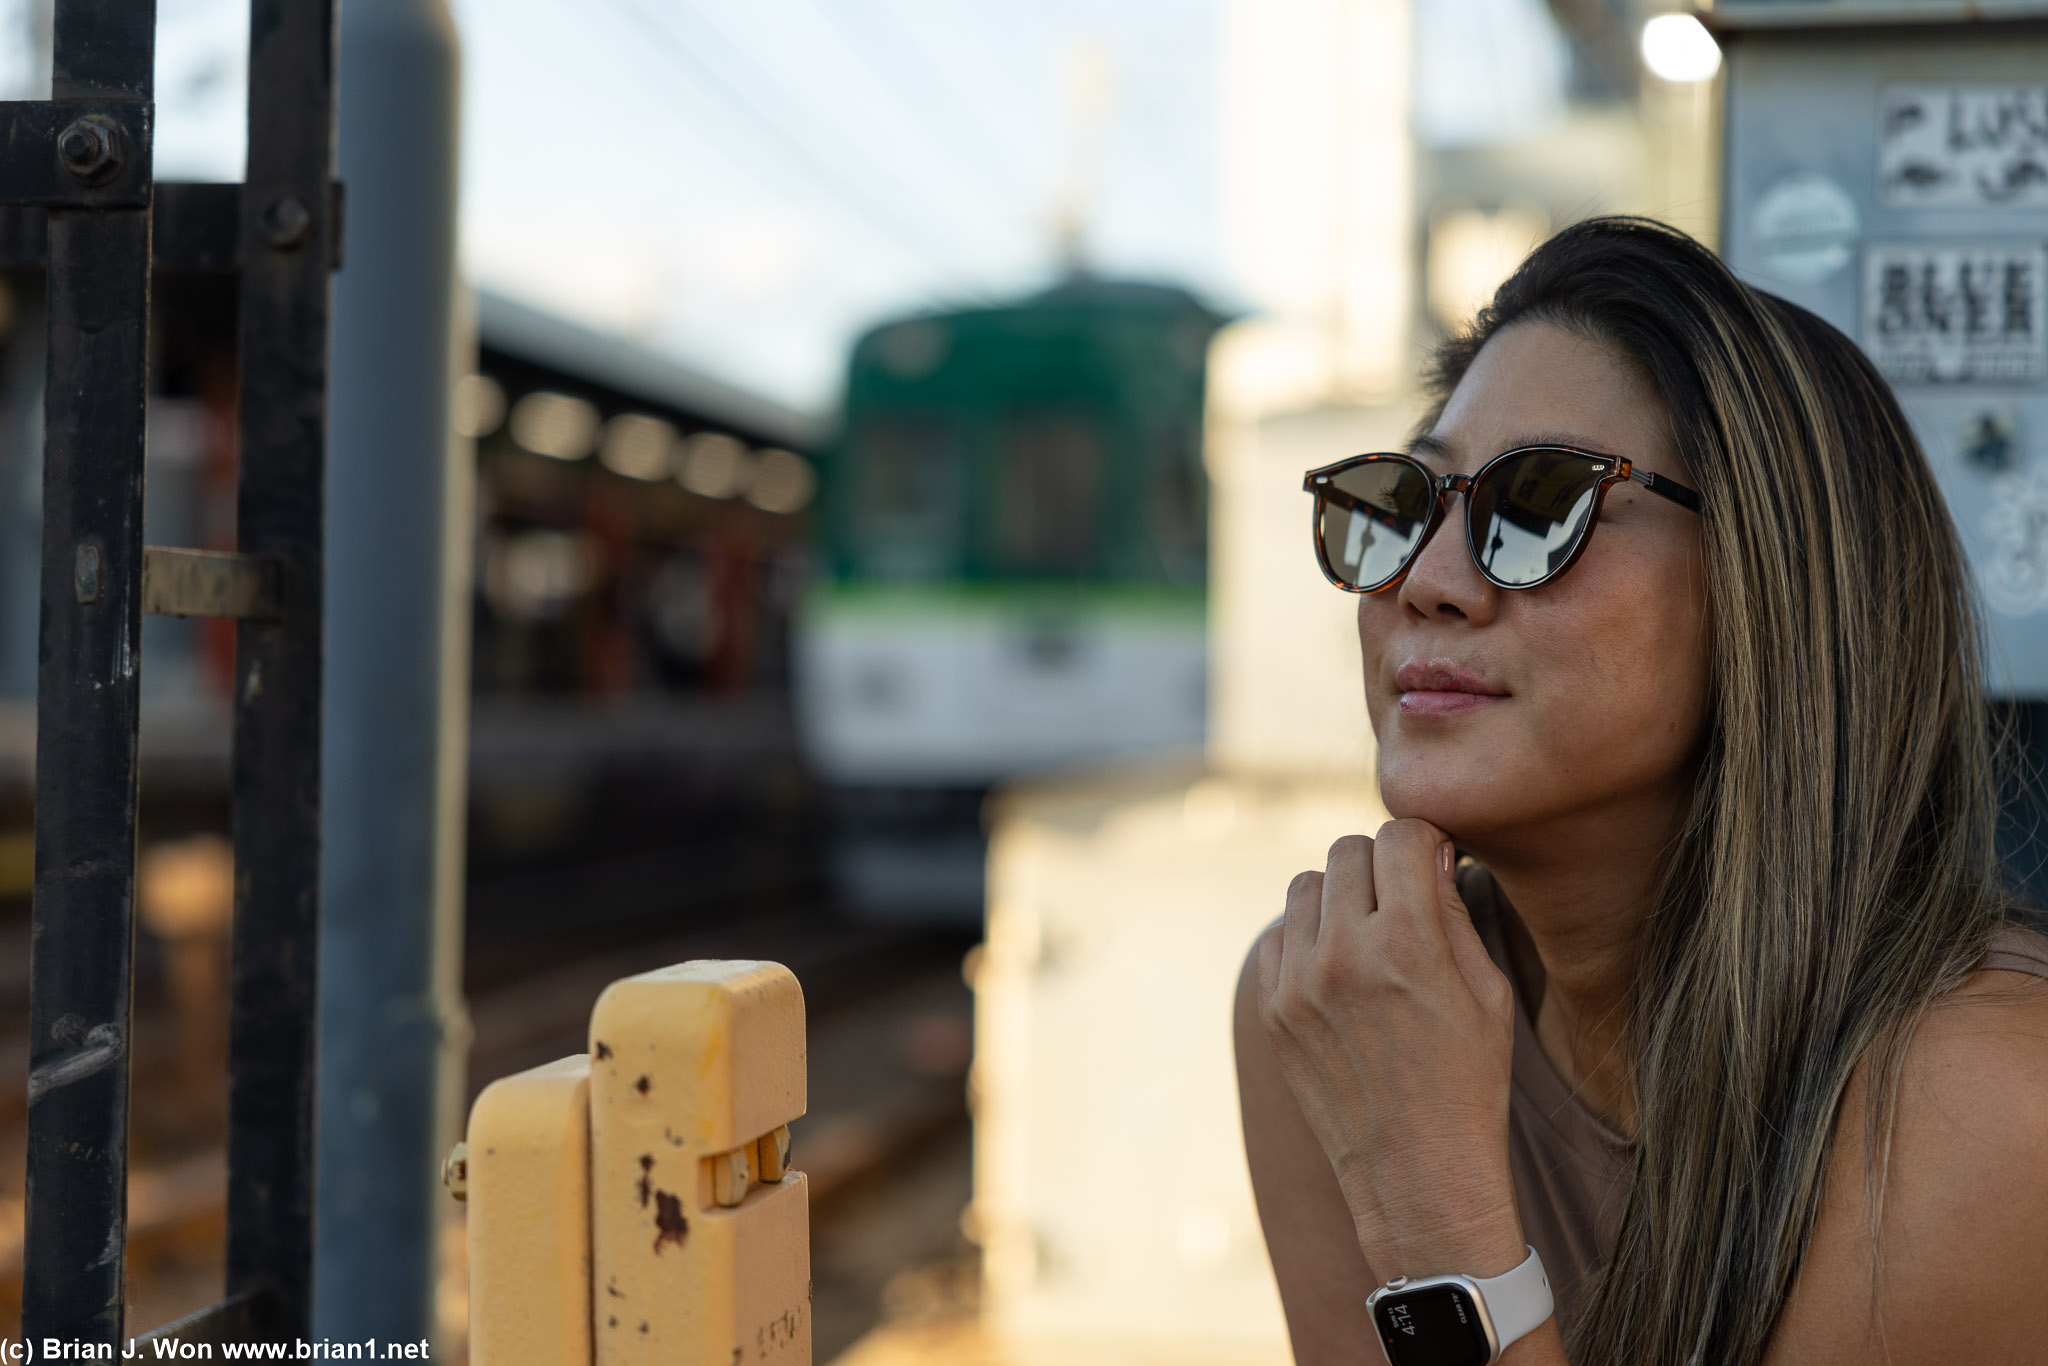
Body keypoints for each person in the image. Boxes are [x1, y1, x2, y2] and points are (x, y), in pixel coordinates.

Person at [1233, 216, 2048, 1366]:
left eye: (1537, 507)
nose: (1427, 580)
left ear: (1770, 589)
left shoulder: (1990, 1107)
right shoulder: (1334, 1005)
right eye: (1406, 501)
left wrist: (1435, 1215)